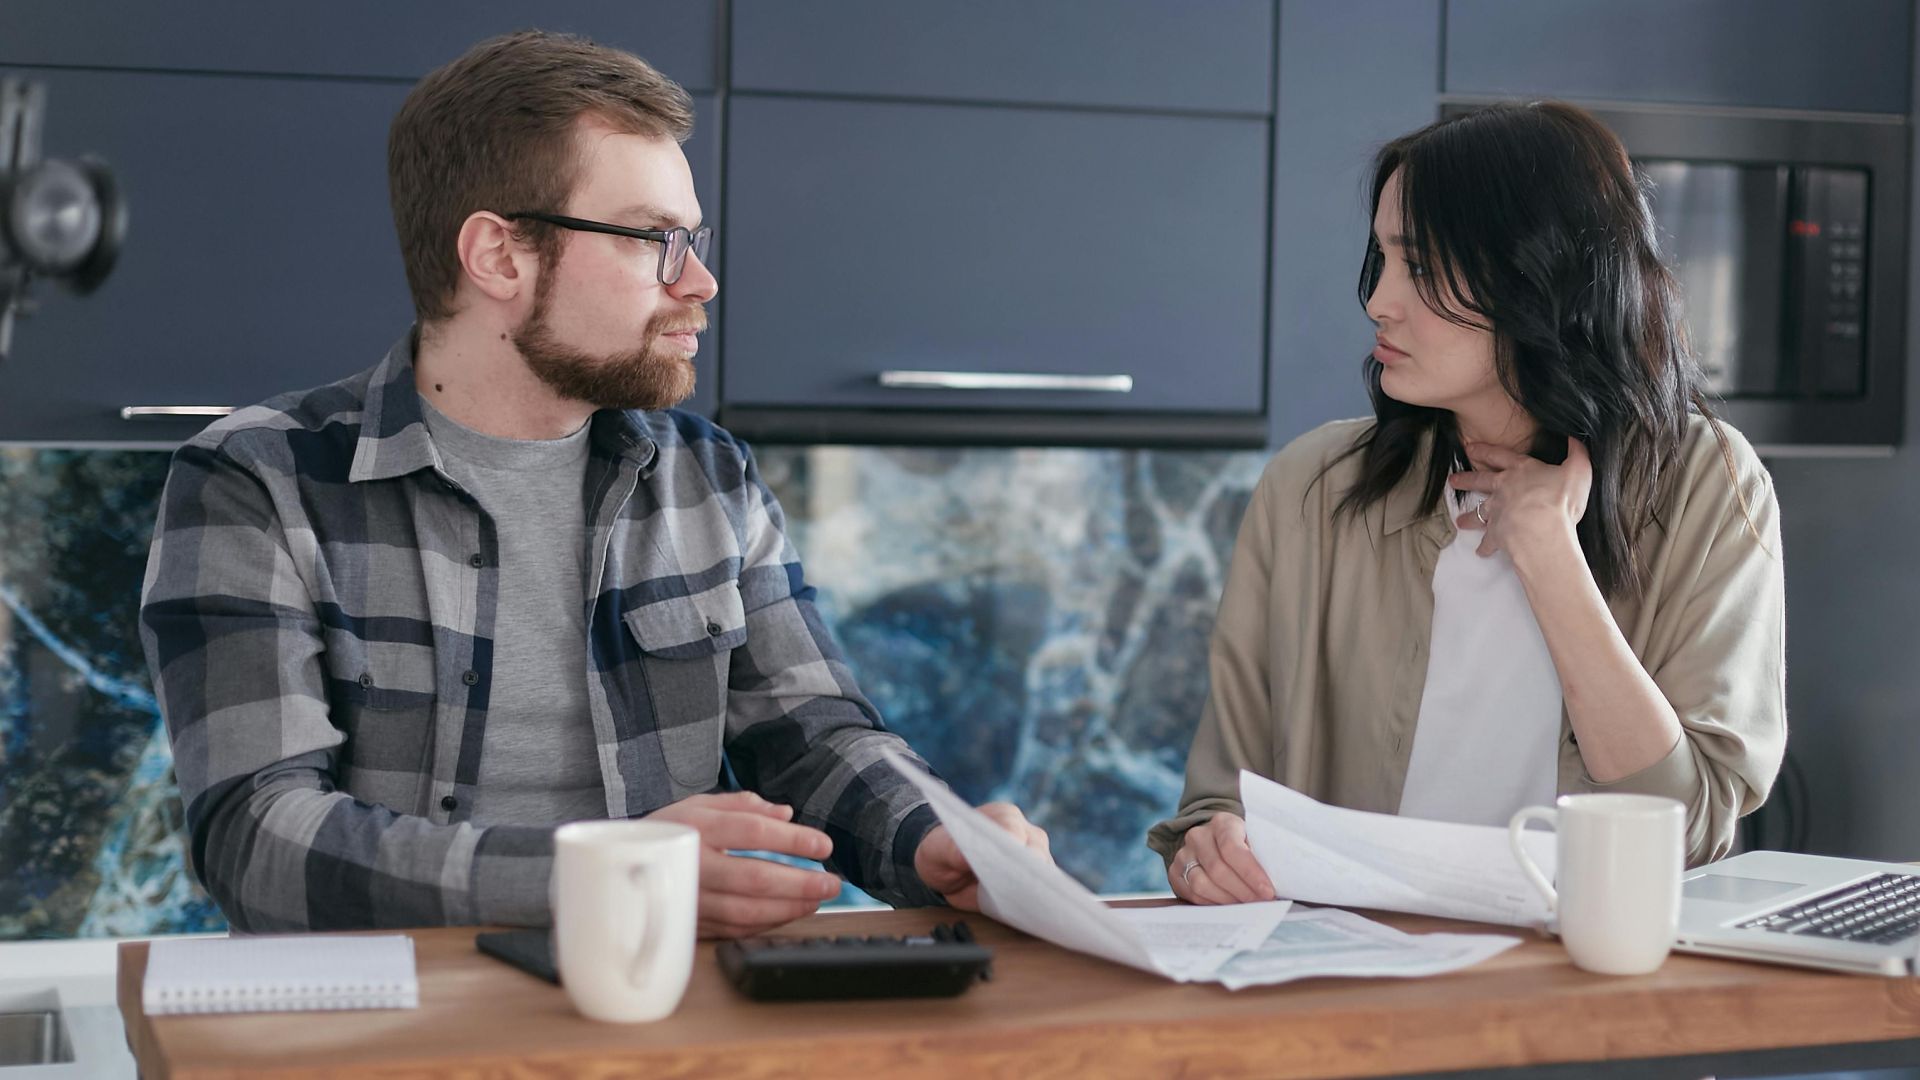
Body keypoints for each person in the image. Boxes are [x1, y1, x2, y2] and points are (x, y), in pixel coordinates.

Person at [139, 29, 1047, 936]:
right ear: (499, 256)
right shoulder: (256, 481)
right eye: (653, 238)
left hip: (658, 1020)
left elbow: (815, 736)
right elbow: (258, 839)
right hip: (390, 1034)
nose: (701, 280)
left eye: (693, 239)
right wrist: (601, 875)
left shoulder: (706, 476)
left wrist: (939, 839)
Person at [1148, 101, 1785, 905]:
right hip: (1347, 989)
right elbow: (1217, 806)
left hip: (1583, 994)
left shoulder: (1709, 485)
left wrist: (1550, 553)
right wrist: (1211, 851)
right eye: (1379, 259)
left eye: (1419, 265)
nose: (1379, 300)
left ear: (1537, 275)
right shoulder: (1311, 490)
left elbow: (1685, 824)